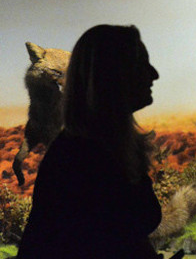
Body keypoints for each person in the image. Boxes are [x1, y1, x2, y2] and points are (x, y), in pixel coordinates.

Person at [17, 24, 164, 259]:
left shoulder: (93, 144)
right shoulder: (83, 155)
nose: (154, 74)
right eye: (140, 64)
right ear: (110, 74)